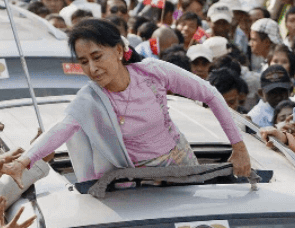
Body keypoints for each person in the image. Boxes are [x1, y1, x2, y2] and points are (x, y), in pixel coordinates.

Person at [19, 19, 252, 181]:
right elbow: (62, 128)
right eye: (83, 61)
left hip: (182, 163)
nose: (92, 68)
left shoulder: (152, 72)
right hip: (136, 181)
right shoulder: (90, 99)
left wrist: (239, 147)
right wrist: (22, 162)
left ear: (119, 51)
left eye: (97, 57)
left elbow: (209, 94)